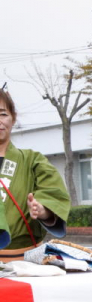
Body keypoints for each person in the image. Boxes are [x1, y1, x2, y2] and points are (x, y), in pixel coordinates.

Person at [0, 88, 70, 259]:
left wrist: (42, 209)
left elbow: (52, 193)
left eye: (3, 114)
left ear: (13, 118)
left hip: (25, 261)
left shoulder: (33, 160)